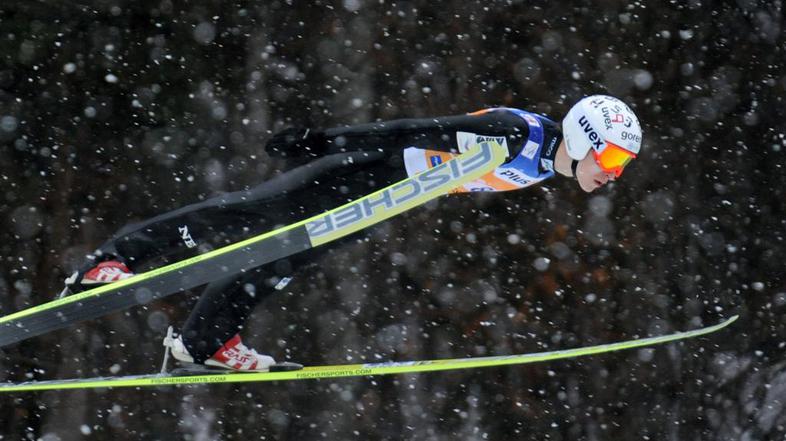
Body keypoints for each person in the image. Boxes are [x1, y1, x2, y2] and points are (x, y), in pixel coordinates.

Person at [62, 95, 643, 371]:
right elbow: (410, 129)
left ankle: (202, 344)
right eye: (611, 158)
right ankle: (108, 262)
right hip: (366, 174)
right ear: (584, 133)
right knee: (243, 216)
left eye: (622, 166)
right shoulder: (518, 135)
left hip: (385, 198)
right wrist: (326, 141)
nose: (611, 173)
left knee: (282, 262)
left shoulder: (545, 164)